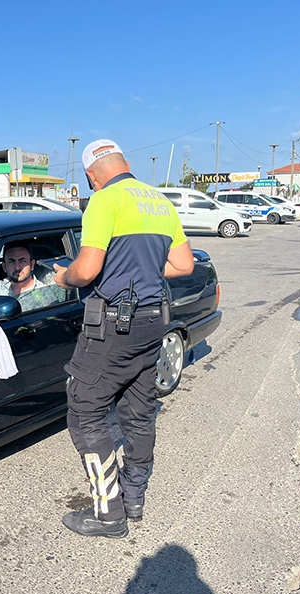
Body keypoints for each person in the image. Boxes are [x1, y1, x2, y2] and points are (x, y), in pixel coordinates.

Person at [53, 139, 193, 538]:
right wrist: (143, 272)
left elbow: (86, 270)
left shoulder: (104, 200)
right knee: (138, 410)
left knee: (84, 411)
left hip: (115, 325)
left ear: (91, 176)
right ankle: (134, 498)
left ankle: (109, 514)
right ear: (127, 163)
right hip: (153, 322)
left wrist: (63, 276)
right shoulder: (159, 201)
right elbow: (182, 264)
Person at [0, 243, 64, 312]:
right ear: (4, 267)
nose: (17, 267)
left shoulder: (44, 292)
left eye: (22, 260)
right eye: (12, 261)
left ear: (32, 265)